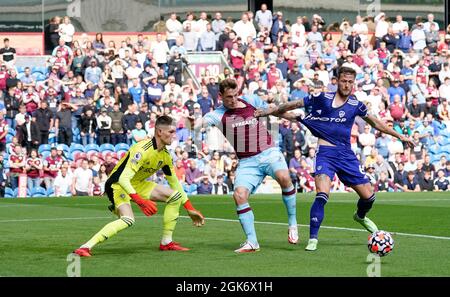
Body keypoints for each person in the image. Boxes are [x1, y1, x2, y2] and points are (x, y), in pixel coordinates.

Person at [255, 67, 414, 251]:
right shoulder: (323, 98)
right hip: (325, 154)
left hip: (346, 155)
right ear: (336, 81)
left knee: (369, 197)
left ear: (353, 84)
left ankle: (360, 216)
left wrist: (399, 136)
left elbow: (376, 122)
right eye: (343, 81)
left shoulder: (356, 105)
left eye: (350, 82)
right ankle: (313, 238)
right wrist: (268, 111)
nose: (346, 85)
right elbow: (295, 105)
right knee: (322, 195)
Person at [73, 116, 205, 257]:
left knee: (175, 196)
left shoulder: (166, 156)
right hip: (118, 185)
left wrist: (190, 209)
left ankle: (166, 242)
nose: (175, 136)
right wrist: (140, 201)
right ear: (159, 132)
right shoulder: (142, 149)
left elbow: (175, 184)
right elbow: (123, 178)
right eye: (171, 132)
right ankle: (85, 247)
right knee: (128, 220)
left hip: (138, 184)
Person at [201, 78, 298, 253]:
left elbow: (272, 110)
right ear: (221, 96)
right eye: (229, 97)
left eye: (235, 95)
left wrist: (292, 117)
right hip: (247, 162)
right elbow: (200, 123)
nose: (233, 99)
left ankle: (292, 223)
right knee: (239, 195)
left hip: (269, 152)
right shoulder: (216, 115)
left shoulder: (251, 100)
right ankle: (252, 242)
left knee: (284, 177)